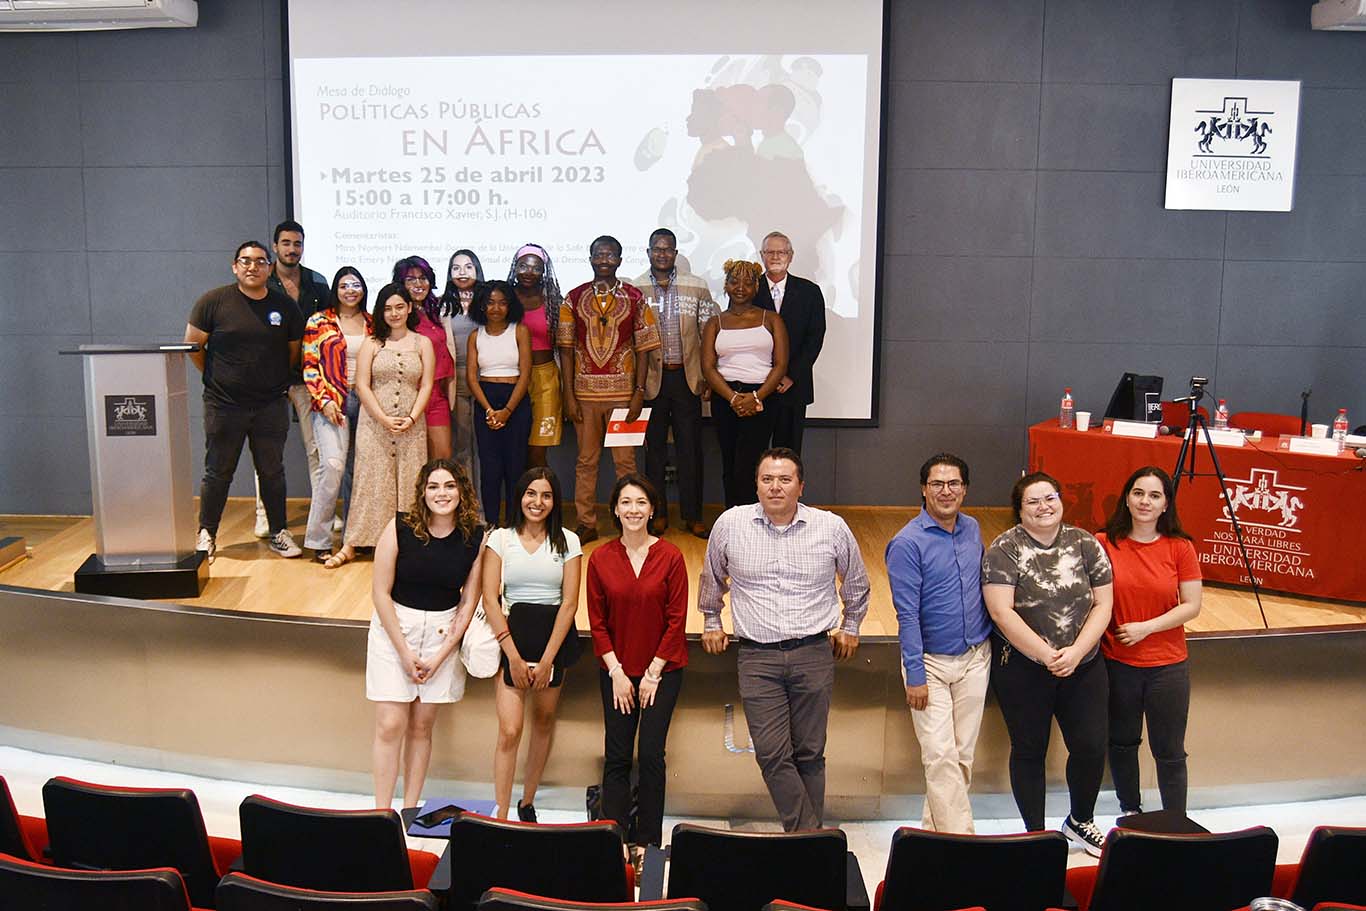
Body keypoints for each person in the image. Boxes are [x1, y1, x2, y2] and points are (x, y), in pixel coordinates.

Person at [699, 447, 869, 831]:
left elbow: (856, 582)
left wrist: (852, 625)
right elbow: (712, 577)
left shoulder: (831, 527)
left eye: (784, 479)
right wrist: (711, 620)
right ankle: (810, 839)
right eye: (767, 479)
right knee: (772, 753)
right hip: (757, 657)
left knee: (810, 754)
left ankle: (804, 844)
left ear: (800, 486)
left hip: (813, 652)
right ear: (757, 485)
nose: (775, 487)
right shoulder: (731, 524)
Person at [982, 472, 1113, 856]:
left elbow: (1104, 603)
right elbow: (1001, 612)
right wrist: (1046, 654)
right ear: (1019, 510)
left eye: (1050, 498)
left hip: (1083, 664)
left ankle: (1080, 821)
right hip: (1024, 668)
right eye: (1033, 501)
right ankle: (1035, 836)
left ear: (1060, 500)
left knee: (1091, 746)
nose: (1044, 507)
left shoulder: (1085, 543)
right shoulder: (1004, 549)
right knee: (1029, 750)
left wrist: (1075, 652)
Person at [367, 459, 485, 809]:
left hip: (441, 636)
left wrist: (441, 654)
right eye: (433, 486)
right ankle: (381, 812)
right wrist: (405, 653)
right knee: (390, 724)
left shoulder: (476, 537)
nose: (441, 494)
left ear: (462, 491)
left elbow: (469, 600)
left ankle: (409, 808)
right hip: (394, 632)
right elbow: (380, 593)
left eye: (449, 486)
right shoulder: (399, 527)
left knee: (422, 726)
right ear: (422, 492)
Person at [884, 453, 992, 833]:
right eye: (937, 484)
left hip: (975, 657)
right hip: (929, 664)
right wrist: (915, 674)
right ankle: (961, 844)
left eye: (954, 484)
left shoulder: (972, 528)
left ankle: (933, 835)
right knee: (940, 757)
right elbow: (907, 614)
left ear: (964, 489)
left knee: (961, 758)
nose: (946, 491)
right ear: (923, 489)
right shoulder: (906, 543)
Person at [587, 474, 688, 861]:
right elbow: (597, 623)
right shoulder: (601, 559)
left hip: (662, 672)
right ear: (615, 509)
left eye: (641, 502)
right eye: (626, 502)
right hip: (616, 671)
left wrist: (652, 673)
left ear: (652, 509)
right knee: (616, 755)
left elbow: (676, 621)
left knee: (650, 755)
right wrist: (616, 672)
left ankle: (647, 844)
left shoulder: (671, 557)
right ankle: (614, 843)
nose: (633, 509)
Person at [184, 240, 304, 562]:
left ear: (269, 267)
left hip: (270, 405)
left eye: (260, 261)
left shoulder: (285, 307)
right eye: (246, 261)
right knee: (218, 471)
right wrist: (220, 378)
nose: (253, 267)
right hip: (224, 404)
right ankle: (207, 534)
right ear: (235, 266)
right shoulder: (213, 302)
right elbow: (194, 347)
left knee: (272, 471)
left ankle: (279, 532)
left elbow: (292, 352)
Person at [1098, 466, 1202, 816]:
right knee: (1122, 743)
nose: (1145, 501)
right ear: (1127, 499)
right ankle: (1131, 811)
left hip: (1167, 667)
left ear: (1166, 504)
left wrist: (1146, 628)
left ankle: (1176, 822)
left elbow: (1192, 605)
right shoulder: (1103, 543)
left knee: (1170, 751)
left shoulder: (1180, 547)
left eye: (1155, 495)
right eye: (1138, 493)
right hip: (1118, 663)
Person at [480, 467, 583, 821]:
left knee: (543, 719)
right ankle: (501, 814)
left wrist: (548, 659)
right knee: (510, 730)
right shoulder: (500, 539)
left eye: (546, 495)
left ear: (555, 501)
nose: (537, 502)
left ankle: (527, 802)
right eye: (531, 494)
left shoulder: (569, 541)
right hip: (513, 639)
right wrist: (512, 656)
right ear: (520, 497)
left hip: (552, 641)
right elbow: (490, 600)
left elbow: (569, 603)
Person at [558, 235, 661, 543]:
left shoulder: (635, 298)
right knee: (586, 462)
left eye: (610, 255)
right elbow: (565, 350)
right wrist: (568, 395)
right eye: (599, 254)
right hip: (584, 396)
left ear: (619, 260)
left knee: (626, 464)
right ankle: (586, 522)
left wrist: (638, 393)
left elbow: (644, 349)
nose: (604, 259)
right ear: (590, 259)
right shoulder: (573, 298)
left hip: (623, 397)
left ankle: (629, 524)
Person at [327, 283, 435, 569]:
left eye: (399, 307)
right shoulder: (372, 343)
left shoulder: (422, 343)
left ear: (409, 308)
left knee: (411, 481)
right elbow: (362, 385)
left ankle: (408, 544)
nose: (394, 313)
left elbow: (426, 384)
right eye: (387, 308)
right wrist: (384, 419)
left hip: (412, 424)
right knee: (370, 482)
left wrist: (412, 417)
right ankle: (352, 543)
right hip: (374, 424)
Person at [634, 228, 719, 539]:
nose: (662, 254)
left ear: (675, 253)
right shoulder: (636, 289)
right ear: (648, 252)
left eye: (668, 249)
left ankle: (693, 516)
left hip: (687, 378)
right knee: (654, 452)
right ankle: (657, 515)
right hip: (652, 381)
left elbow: (709, 334)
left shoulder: (696, 287)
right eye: (657, 249)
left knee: (690, 450)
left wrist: (709, 375)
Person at [258, 219, 332, 538]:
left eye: (297, 243)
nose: (292, 249)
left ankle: (321, 511)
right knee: (267, 450)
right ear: (275, 246)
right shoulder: (262, 281)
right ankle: (264, 515)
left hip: (309, 377)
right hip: (270, 379)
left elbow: (330, 328)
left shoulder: (318, 282)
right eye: (286, 243)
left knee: (316, 449)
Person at [701, 259, 789, 509]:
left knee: (752, 462)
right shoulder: (715, 322)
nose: (740, 287)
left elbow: (780, 364)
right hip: (725, 398)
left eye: (748, 283)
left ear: (756, 288)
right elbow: (708, 367)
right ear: (726, 285)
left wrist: (757, 397)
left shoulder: (772, 319)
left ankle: (754, 517)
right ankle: (732, 517)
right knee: (729, 461)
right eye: (734, 281)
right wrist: (732, 398)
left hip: (763, 398)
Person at [301, 267, 372, 560]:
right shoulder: (319, 321)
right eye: (344, 285)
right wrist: (324, 399)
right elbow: (309, 365)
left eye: (356, 285)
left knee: (360, 472)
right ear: (336, 289)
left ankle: (354, 538)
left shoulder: (373, 322)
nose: (350, 290)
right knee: (332, 467)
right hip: (332, 404)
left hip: (367, 404)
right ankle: (319, 540)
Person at [466, 280, 532, 525]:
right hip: (486, 402)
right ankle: (492, 524)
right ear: (481, 305)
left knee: (515, 466)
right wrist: (490, 410)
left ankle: (515, 523)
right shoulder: (475, 336)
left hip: (516, 401)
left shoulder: (520, 331)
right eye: (490, 303)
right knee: (490, 469)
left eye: (502, 303)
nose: (496, 308)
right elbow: (471, 377)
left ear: (510, 305)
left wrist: (507, 410)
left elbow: (526, 374)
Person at [754, 231, 824, 454]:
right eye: (770, 252)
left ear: (791, 256)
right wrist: (766, 378)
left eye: (781, 252)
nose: (775, 257)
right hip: (756, 387)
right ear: (761, 255)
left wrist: (790, 375)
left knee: (789, 455)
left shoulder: (810, 292)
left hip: (793, 388)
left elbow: (814, 338)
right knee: (753, 454)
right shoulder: (748, 290)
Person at [506, 244, 564, 468]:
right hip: (513, 376)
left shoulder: (553, 300)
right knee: (515, 446)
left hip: (545, 379)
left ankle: (540, 489)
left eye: (536, 268)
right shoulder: (505, 299)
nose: (529, 272)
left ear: (544, 271)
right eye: (523, 266)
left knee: (538, 449)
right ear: (515, 267)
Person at [394, 256, 456, 461]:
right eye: (410, 279)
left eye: (423, 278)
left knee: (442, 457)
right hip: (410, 394)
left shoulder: (437, 310)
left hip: (437, 393)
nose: (418, 284)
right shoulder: (398, 314)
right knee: (414, 459)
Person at [438, 248, 486, 487]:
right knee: (462, 445)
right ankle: (467, 501)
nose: (462, 272)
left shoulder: (489, 301)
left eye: (468, 267)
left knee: (485, 445)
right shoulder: (441, 305)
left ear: (477, 269)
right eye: (456, 268)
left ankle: (485, 503)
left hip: (486, 379)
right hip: (455, 381)